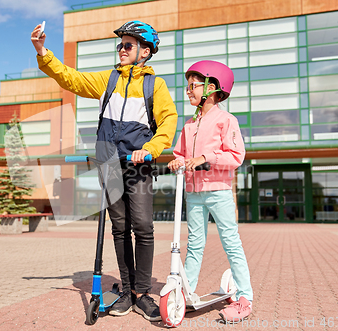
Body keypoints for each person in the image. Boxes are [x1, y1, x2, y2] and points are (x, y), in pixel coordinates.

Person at [31, 21, 178, 321]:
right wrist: (42, 52)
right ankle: (126, 291)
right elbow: (71, 78)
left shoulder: (154, 85)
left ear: (145, 52)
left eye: (127, 45)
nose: (120, 49)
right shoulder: (107, 80)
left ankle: (143, 292)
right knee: (120, 227)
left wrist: (150, 148)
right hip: (108, 160)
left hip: (138, 163)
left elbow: (168, 122)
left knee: (143, 227)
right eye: (120, 45)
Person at [167, 60, 253, 323]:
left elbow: (236, 155)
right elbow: (181, 153)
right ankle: (186, 291)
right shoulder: (189, 125)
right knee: (195, 245)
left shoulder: (226, 120)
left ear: (212, 87)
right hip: (193, 192)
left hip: (218, 191)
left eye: (192, 86)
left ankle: (245, 297)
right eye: (187, 86)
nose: (188, 91)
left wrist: (206, 157)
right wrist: (176, 161)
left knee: (231, 242)